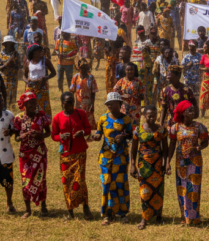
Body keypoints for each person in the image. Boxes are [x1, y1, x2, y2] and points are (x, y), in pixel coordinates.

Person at [92, 92, 132, 225]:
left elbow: (131, 135)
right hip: (106, 158)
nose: (109, 105)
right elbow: (98, 133)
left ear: (119, 104)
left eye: (112, 103)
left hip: (120, 157)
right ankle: (108, 214)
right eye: (108, 103)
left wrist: (124, 136)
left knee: (120, 184)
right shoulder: (103, 119)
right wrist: (96, 137)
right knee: (106, 184)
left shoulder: (126, 120)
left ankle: (122, 213)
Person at [52, 91, 93, 220]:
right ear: (62, 103)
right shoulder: (57, 117)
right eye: (67, 102)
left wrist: (82, 132)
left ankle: (85, 206)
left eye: (72, 102)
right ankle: (70, 211)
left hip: (80, 152)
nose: (70, 104)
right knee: (67, 181)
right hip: (65, 154)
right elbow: (54, 135)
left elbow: (88, 129)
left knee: (80, 180)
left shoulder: (80, 114)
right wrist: (61, 137)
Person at [167, 99, 209, 226]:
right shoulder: (175, 128)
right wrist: (168, 162)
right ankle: (184, 216)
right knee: (182, 188)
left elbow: (206, 141)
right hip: (180, 162)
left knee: (194, 188)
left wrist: (200, 147)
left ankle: (194, 217)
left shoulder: (199, 127)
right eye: (189, 110)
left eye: (193, 109)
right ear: (183, 113)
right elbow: (172, 145)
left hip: (195, 162)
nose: (193, 112)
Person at [14, 91, 51, 218]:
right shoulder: (18, 118)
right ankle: (28, 210)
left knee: (41, 179)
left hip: (39, 153)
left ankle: (43, 206)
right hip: (25, 155)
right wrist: (23, 135)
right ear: (24, 104)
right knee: (25, 180)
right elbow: (16, 138)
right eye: (30, 103)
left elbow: (48, 133)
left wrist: (40, 135)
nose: (33, 105)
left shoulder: (41, 116)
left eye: (34, 102)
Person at [129, 105, 167, 229]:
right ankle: (145, 218)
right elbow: (133, 149)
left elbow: (165, 149)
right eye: (149, 116)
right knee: (144, 191)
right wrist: (132, 165)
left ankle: (159, 216)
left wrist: (166, 163)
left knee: (158, 190)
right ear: (144, 116)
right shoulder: (138, 130)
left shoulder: (161, 129)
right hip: (144, 165)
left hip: (157, 165)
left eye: (154, 116)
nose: (152, 118)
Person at [23, 43, 56, 119]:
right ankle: (32, 122)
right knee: (30, 105)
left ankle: (44, 123)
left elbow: (53, 73)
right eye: (38, 51)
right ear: (33, 52)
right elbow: (24, 75)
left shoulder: (45, 60)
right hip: (31, 87)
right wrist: (27, 82)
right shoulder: (28, 62)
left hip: (42, 87)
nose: (40, 52)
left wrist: (46, 78)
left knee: (43, 106)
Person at [70, 58, 98, 128]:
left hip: (88, 104)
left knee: (89, 122)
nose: (83, 70)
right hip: (78, 104)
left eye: (85, 68)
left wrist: (92, 105)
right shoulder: (76, 77)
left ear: (88, 68)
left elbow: (93, 92)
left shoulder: (91, 77)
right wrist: (72, 104)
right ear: (78, 68)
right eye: (81, 68)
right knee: (79, 121)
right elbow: (72, 91)